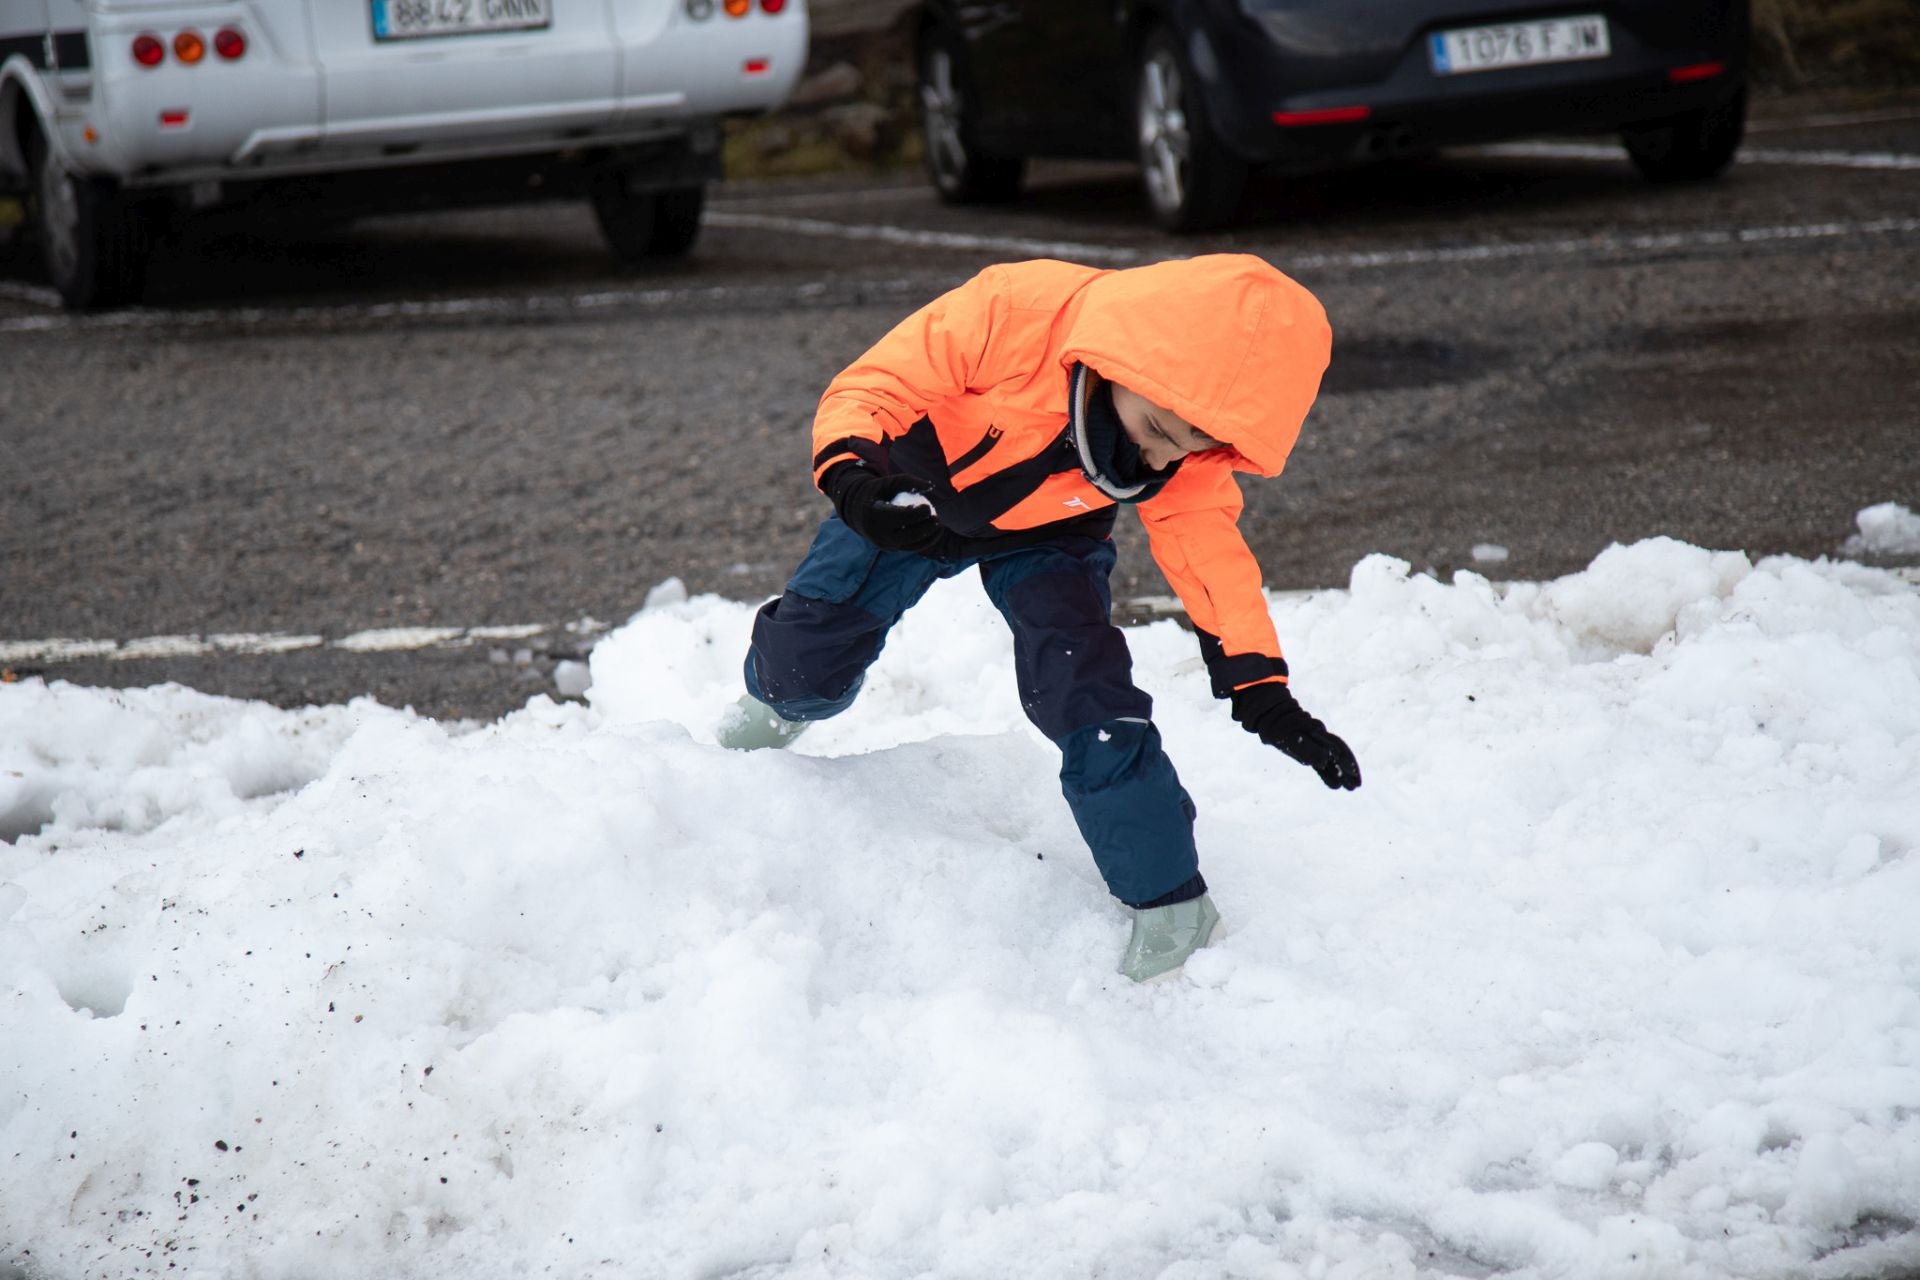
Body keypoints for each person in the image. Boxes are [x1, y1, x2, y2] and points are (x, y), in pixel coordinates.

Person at [718, 254, 1361, 982]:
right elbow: (880, 383)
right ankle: (776, 704)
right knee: (810, 655)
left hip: (1051, 536)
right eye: (1154, 426)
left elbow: (1207, 550)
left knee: (1088, 697)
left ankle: (1170, 901)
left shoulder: (1186, 444)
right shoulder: (1016, 310)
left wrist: (1260, 685)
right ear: (1124, 363)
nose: (1157, 454)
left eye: (1184, 446)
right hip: (912, 502)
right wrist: (857, 482)